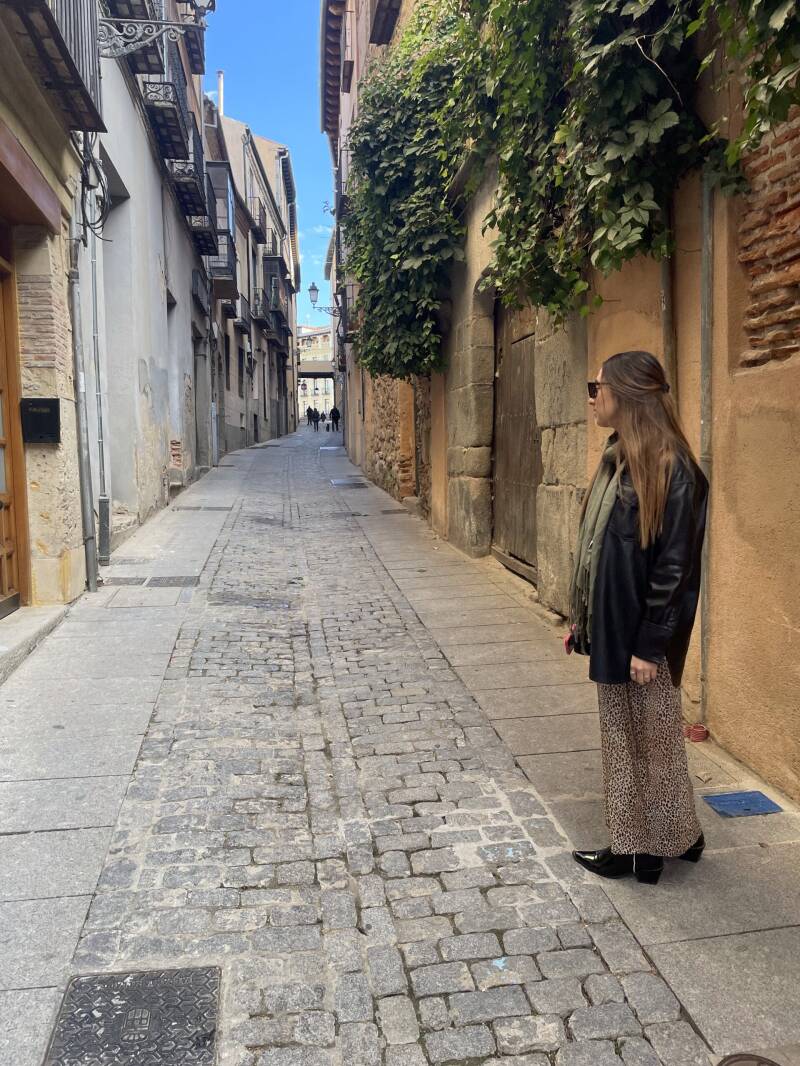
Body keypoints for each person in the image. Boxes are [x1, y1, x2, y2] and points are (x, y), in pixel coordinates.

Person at [568, 350, 708, 886]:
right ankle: (679, 837)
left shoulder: (672, 468)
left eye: (596, 387)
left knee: (639, 745)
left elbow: (675, 566)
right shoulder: (618, 460)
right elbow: (599, 551)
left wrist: (649, 645)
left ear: (625, 394)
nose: (592, 398)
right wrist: (583, 619)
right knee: (644, 740)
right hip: (616, 624)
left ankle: (635, 851)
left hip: (643, 635)